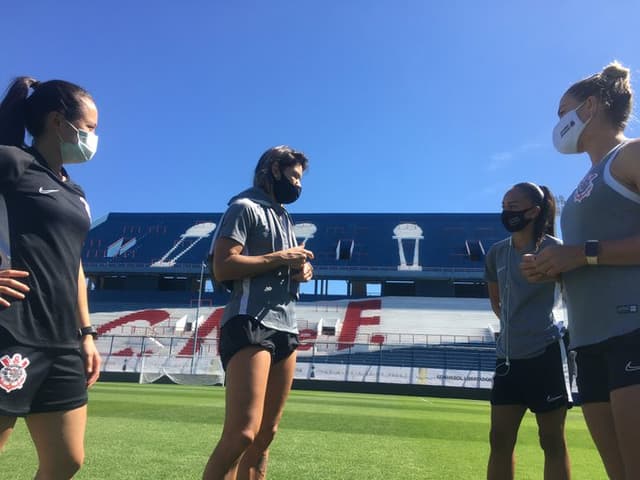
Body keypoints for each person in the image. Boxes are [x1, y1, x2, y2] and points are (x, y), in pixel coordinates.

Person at [522, 61, 640, 480]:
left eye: (563, 113)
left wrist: (582, 254)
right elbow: (590, 258)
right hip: (589, 345)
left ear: (590, 106)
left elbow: (592, 253)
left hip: (632, 334)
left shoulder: (632, 153)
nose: (558, 125)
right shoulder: (581, 185)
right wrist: (557, 265)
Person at [0, 77, 101, 479]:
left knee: (66, 460)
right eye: (90, 128)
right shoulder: (12, 161)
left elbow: (73, 263)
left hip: (62, 340)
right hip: (12, 329)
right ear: (59, 122)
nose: (95, 138)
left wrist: (87, 332)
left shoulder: (75, 191)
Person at [203, 145, 314, 480]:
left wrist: (301, 270)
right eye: (294, 176)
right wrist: (282, 257)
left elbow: (281, 263)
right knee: (242, 434)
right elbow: (223, 267)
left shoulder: (284, 216)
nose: (298, 185)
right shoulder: (243, 207)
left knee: (266, 437)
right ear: (274, 170)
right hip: (250, 321)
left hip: (286, 326)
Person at [485, 182, 572, 480]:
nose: (506, 213)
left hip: (546, 354)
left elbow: (572, 292)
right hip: (508, 359)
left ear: (534, 211)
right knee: (499, 440)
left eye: (513, 207)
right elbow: (497, 303)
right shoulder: (496, 253)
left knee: (551, 441)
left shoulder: (556, 249)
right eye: (503, 207)